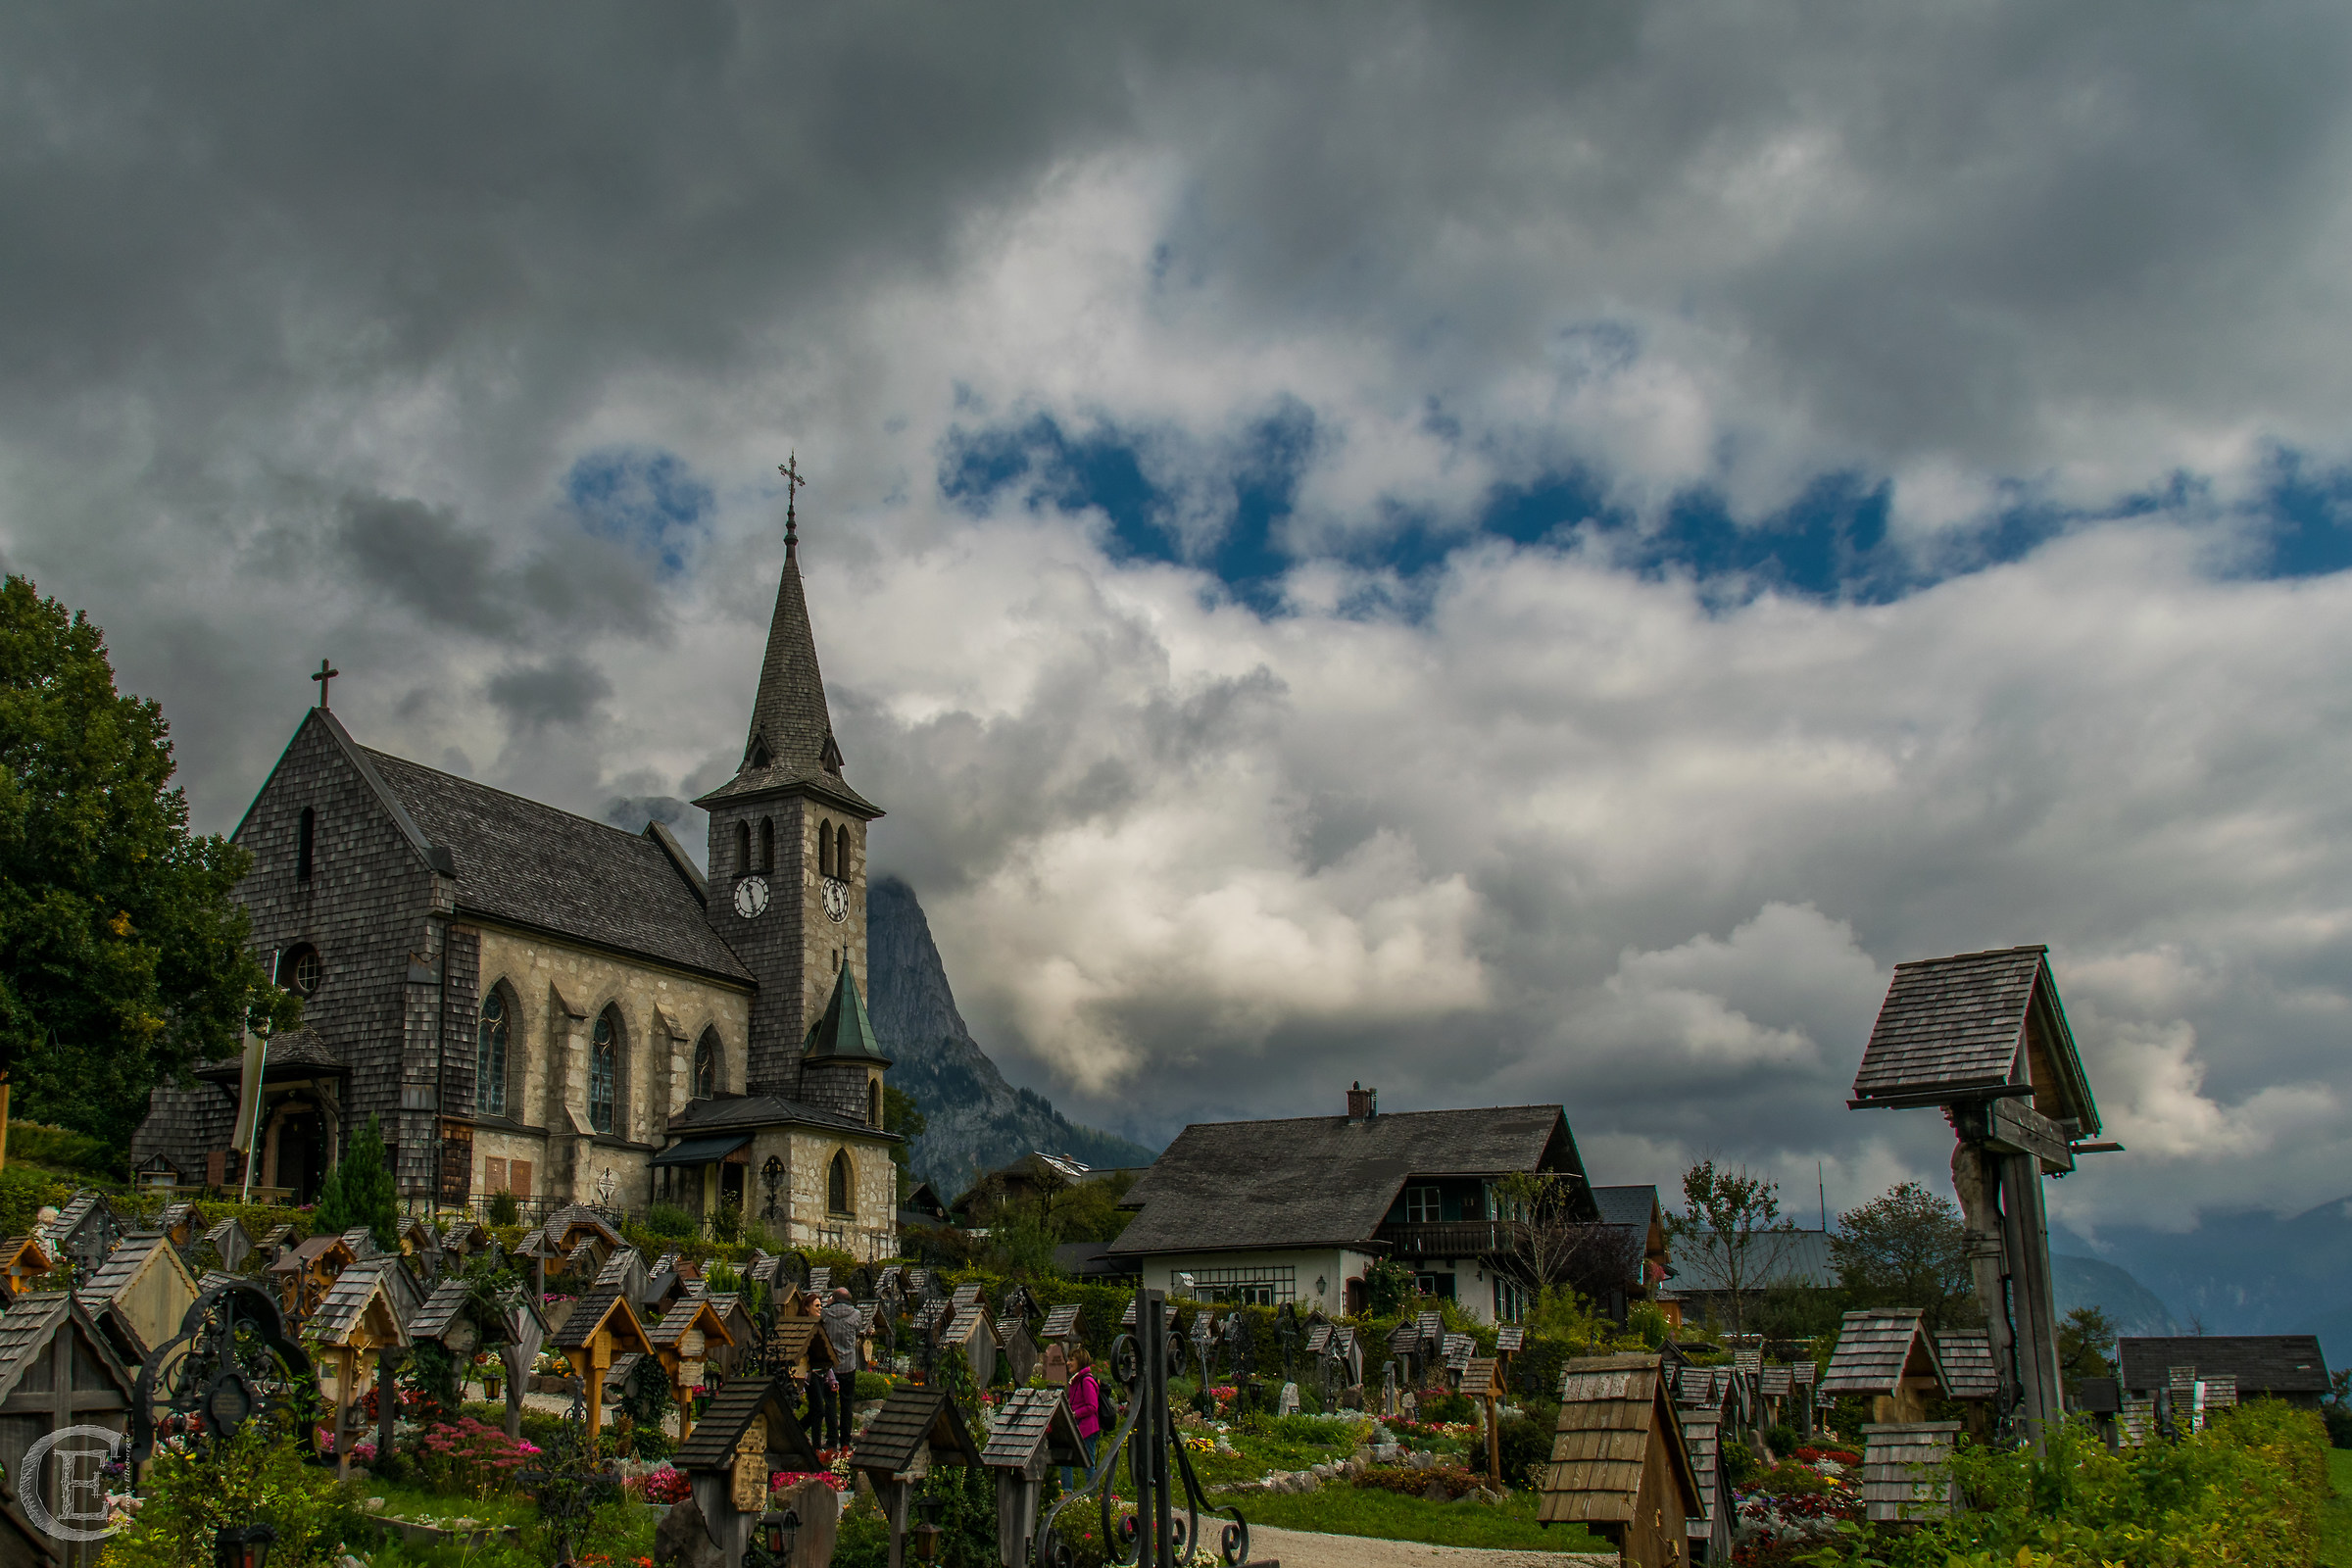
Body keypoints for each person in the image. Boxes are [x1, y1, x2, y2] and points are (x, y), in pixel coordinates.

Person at [816, 1286, 861, 1448]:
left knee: (830, 1403)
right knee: (847, 1403)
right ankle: (846, 1441)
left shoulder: (826, 1314)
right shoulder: (856, 1314)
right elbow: (858, 1331)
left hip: (830, 1366)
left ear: (833, 1298)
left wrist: (829, 1303)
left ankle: (831, 1440)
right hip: (849, 1363)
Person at [1062, 1348, 1102, 1493]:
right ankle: (1067, 1492)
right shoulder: (1077, 1380)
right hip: (1078, 1427)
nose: (1068, 1363)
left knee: (1087, 1463)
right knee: (1067, 1459)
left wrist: (1075, 1414)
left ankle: (1093, 1494)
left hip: (1087, 1428)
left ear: (1080, 1361)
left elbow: (1092, 1406)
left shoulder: (1086, 1381)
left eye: (1072, 1360)